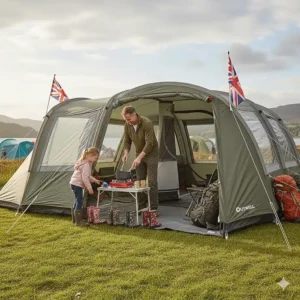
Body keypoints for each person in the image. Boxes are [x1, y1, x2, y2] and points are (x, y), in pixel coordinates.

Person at [121, 106, 159, 210]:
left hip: (151, 153)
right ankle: (141, 208)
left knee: (151, 182)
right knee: (139, 180)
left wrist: (138, 158)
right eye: (125, 120)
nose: (128, 122)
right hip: (139, 153)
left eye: (129, 119)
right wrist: (126, 153)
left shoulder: (147, 123)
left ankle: (153, 209)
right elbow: (127, 141)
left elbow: (149, 143)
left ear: (134, 114)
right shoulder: (127, 125)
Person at [70, 147, 101, 226]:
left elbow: (87, 176)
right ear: (90, 155)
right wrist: (90, 188)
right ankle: (79, 222)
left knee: (77, 200)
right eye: (95, 158)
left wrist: (94, 180)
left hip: (74, 183)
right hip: (77, 184)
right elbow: (85, 178)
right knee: (79, 201)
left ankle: (75, 220)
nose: (96, 160)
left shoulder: (82, 161)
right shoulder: (87, 164)